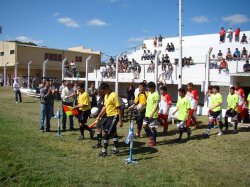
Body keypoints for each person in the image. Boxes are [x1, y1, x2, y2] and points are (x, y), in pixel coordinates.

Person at [96, 82, 123, 157]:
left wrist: (120, 121)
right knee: (113, 133)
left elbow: (119, 108)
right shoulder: (106, 96)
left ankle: (104, 150)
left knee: (106, 133)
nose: (102, 93)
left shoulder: (114, 95)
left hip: (114, 116)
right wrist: (99, 116)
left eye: (103, 91)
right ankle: (116, 148)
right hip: (108, 116)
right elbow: (105, 107)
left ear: (107, 88)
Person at [143, 82, 160, 146]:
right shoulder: (149, 93)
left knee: (152, 128)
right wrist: (142, 107)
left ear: (153, 87)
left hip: (153, 114)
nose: (148, 88)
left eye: (149, 87)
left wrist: (152, 113)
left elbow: (157, 105)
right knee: (144, 126)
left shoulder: (156, 94)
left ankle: (154, 141)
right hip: (147, 114)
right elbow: (148, 103)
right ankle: (151, 137)